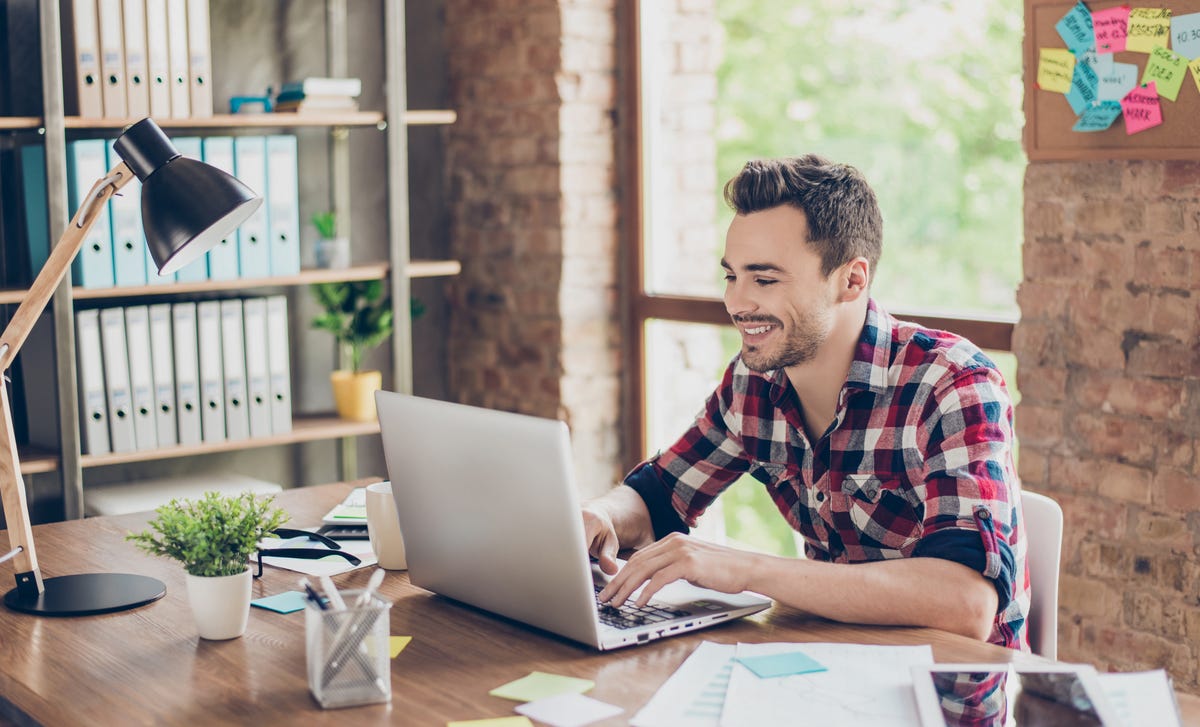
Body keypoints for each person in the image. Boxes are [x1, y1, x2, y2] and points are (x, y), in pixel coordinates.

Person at [584, 155, 1028, 649]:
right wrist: (601, 515)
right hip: (831, 664)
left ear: (852, 280)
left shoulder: (952, 384)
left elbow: (966, 603)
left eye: (765, 279)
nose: (737, 302)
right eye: (732, 276)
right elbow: (659, 494)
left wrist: (746, 568)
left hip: (953, 692)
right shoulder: (753, 383)